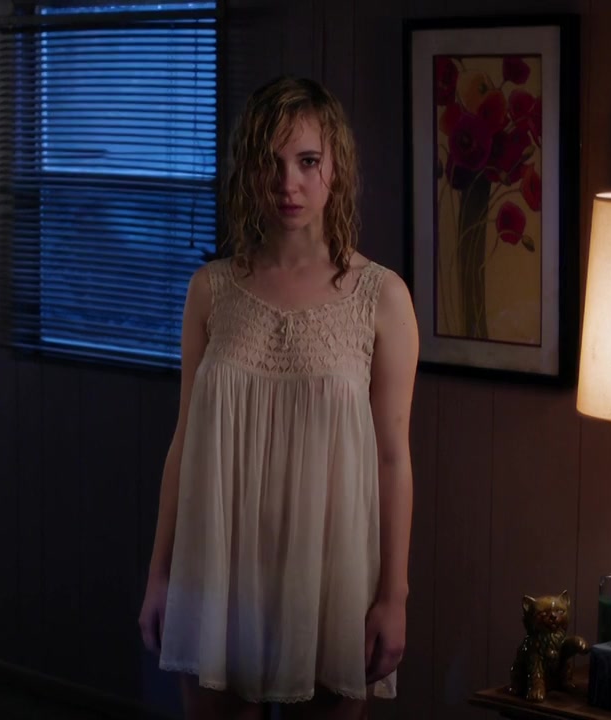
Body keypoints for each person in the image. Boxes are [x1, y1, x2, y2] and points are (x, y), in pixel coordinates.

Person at [138, 75, 419, 720]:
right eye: (272, 162)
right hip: (217, 568)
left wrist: (393, 597)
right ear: (249, 170)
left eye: (307, 161)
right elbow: (184, 442)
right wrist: (160, 575)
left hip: (331, 575)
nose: (288, 183)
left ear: (335, 167)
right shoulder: (211, 290)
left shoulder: (381, 297)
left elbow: (393, 458)